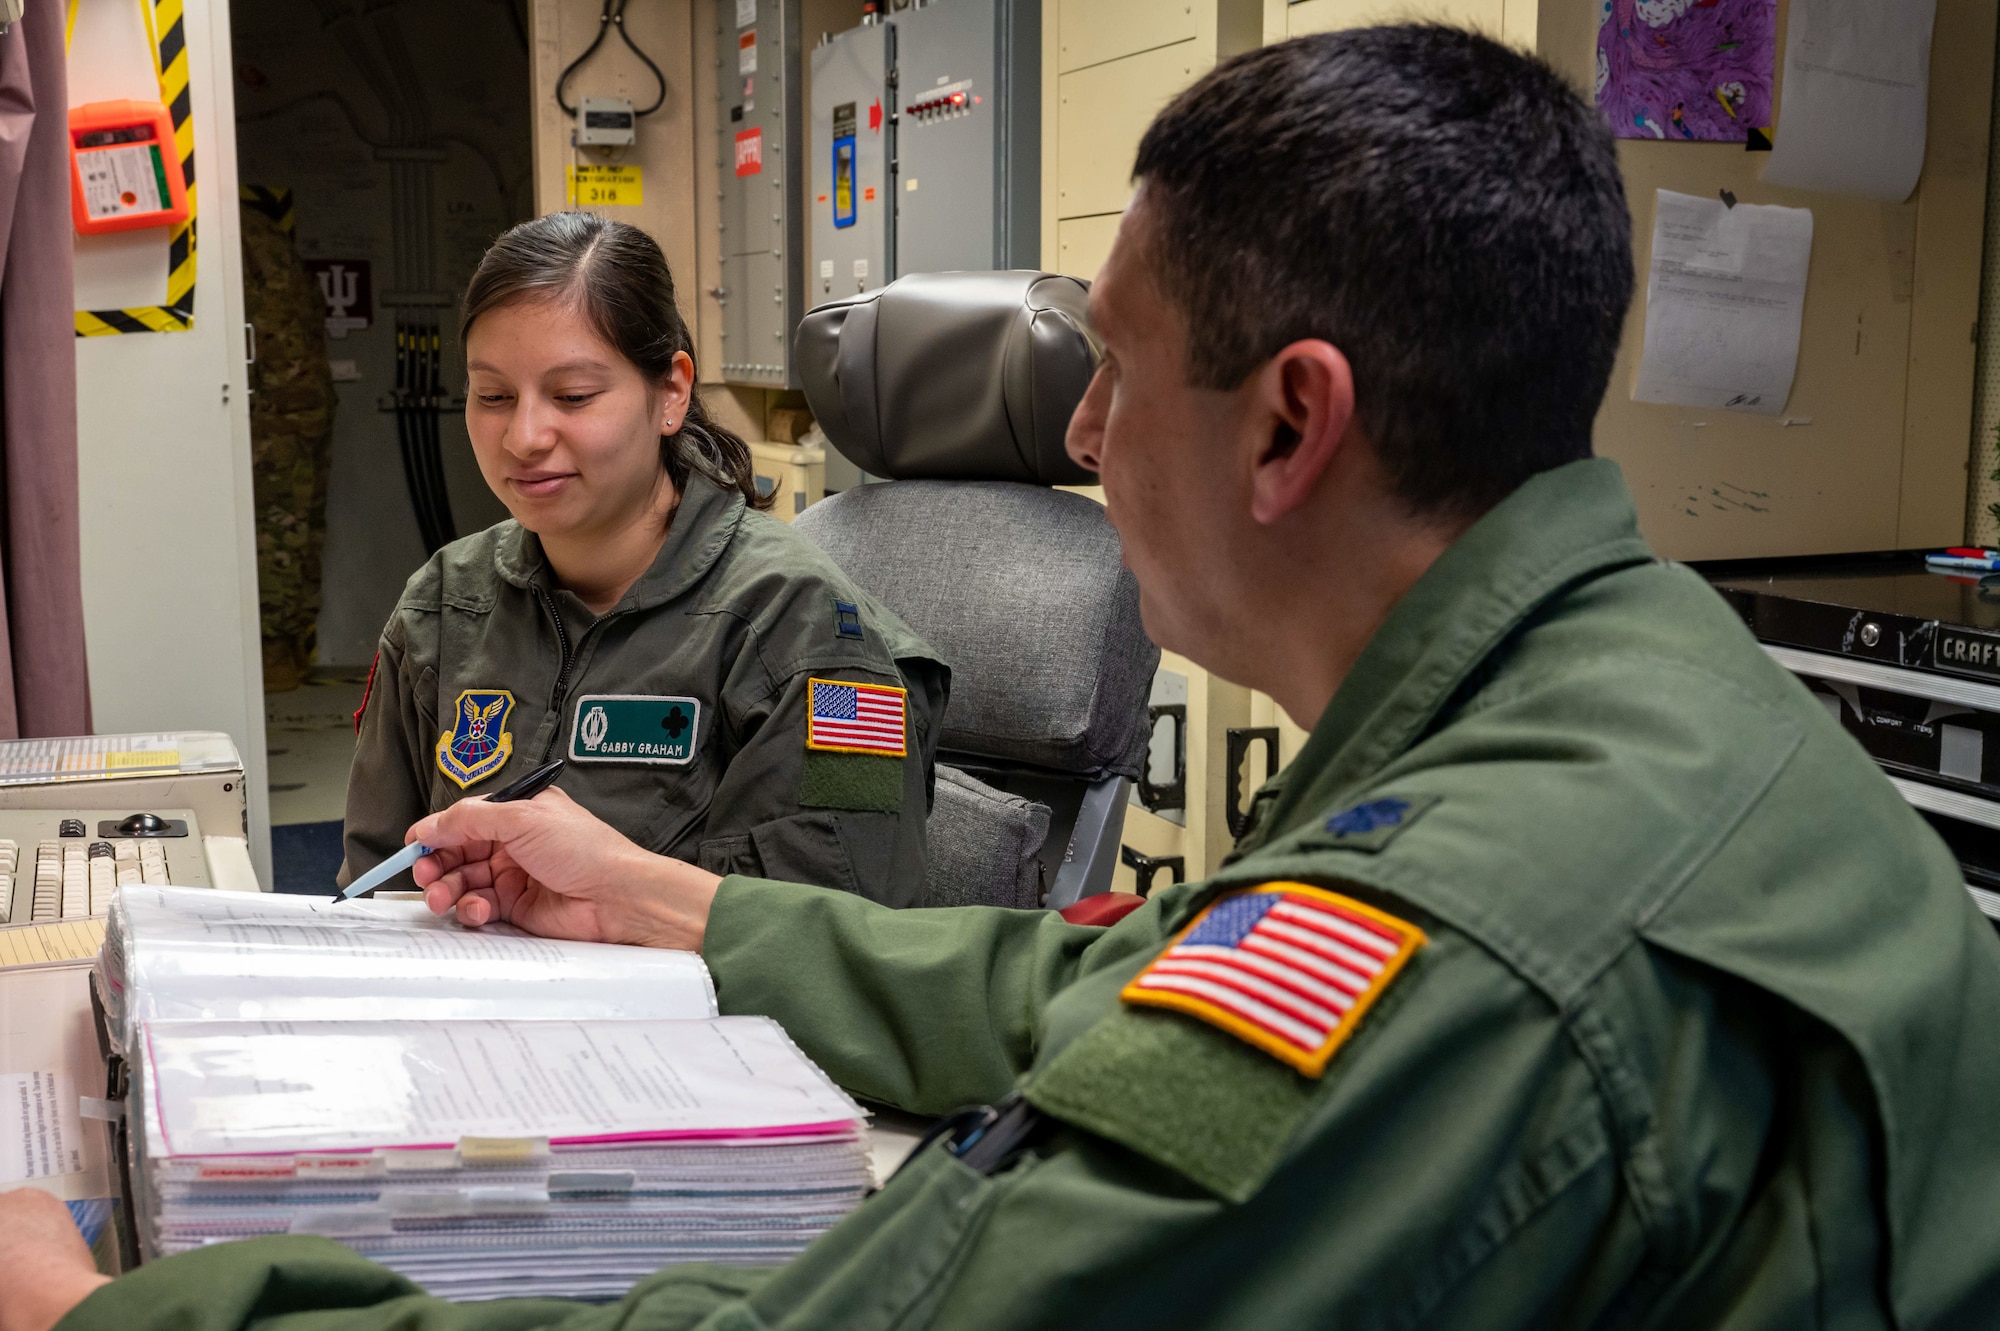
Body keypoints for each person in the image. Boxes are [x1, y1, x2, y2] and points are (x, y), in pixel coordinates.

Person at [8, 25, 2000, 1331]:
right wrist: (673, 901)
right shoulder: (1613, 682)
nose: (1077, 443)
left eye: (1112, 374)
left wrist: (115, 1311)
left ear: (1289, 425)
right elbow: (1101, 986)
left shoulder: (1477, 925)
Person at [338, 213, 946, 906]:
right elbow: (376, 889)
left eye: (573, 396)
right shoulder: (444, 604)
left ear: (672, 392)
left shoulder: (810, 639)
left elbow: (836, 946)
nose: (525, 435)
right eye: (493, 396)